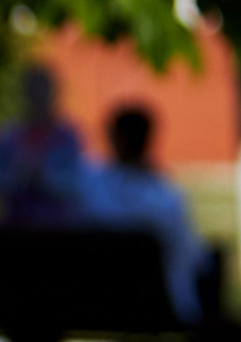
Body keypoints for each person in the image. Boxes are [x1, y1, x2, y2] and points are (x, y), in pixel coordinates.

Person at [78, 103, 208, 326]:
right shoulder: (167, 197)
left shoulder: (89, 188)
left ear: (114, 138)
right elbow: (196, 258)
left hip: (92, 306)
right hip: (160, 309)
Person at [0, 65, 87, 225]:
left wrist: (43, 177)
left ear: (52, 94)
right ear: (25, 94)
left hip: (56, 222)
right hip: (14, 220)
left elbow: (78, 183)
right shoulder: (8, 136)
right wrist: (17, 174)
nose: (38, 98)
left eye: (42, 92)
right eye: (33, 91)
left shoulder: (67, 138)